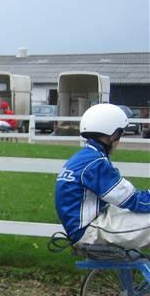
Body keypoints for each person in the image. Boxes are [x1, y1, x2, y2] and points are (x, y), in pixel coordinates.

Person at [55, 103, 150, 251]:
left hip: (88, 224)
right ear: (112, 135)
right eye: (120, 134)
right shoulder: (95, 163)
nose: (119, 140)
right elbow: (131, 199)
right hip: (89, 232)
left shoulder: (84, 157)